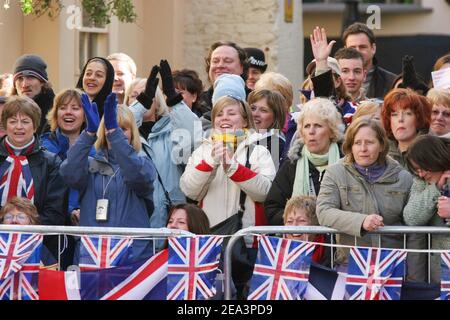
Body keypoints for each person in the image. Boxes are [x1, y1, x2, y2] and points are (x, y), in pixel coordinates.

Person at [60, 93, 156, 262]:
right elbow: (69, 173)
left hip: (132, 255)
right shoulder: (89, 164)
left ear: (132, 133)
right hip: (93, 254)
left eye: (122, 129)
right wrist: (89, 134)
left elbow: (137, 175)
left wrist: (114, 133)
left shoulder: (143, 163)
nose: (115, 132)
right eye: (111, 127)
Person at [316, 117, 413, 274]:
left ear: (381, 145)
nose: (363, 148)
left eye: (369, 142)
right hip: (350, 264)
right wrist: (361, 221)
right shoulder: (335, 173)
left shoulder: (403, 177)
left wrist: (413, 273)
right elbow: (324, 211)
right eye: (357, 143)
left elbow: (413, 225)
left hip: (393, 264)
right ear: (350, 146)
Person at [129, 60, 202, 234]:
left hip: (170, 223)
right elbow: (114, 129)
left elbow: (193, 136)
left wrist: (174, 97)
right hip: (134, 221)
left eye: (147, 94)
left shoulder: (173, 130)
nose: (142, 97)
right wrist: (142, 102)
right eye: (135, 96)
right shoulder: (125, 137)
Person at [0, 96, 68, 259]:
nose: (18, 127)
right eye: (12, 121)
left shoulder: (51, 162)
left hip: (38, 245)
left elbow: (55, 211)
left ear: (35, 126)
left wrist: (26, 231)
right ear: (5, 125)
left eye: (25, 121)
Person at [264, 98, 344, 225]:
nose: (311, 131)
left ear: (331, 131)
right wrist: (296, 221)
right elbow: (272, 208)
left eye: (318, 125)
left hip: (338, 240)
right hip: (303, 242)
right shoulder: (292, 164)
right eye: (307, 126)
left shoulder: (346, 163)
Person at [41, 88, 96, 225]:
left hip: (89, 221)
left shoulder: (97, 149)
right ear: (55, 114)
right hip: (54, 223)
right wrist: (70, 210)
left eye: (75, 108)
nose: (68, 112)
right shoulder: (44, 147)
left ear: (85, 115)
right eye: (63, 107)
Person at [403, 135, 450, 284]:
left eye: (424, 168)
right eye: (417, 170)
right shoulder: (421, 183)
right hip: (440, 270)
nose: (421, 174)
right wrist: (435, 189)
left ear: (436, 159)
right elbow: (411, 218)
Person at [197, 41, 250, 121]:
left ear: (242, 67)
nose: (220, 65)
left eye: (228, 61)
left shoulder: (255, 102)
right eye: (215, 61)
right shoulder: (197, 102)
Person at [0, 197, 58, 269]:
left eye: (21, 217)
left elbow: (52, 275)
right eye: (9, 217)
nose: (14, 221)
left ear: (31, 222)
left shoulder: (37, 246)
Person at [342, 22, 396, 99]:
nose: (357, 51)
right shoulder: (335, 81)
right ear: (345, 50)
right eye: (352, 48)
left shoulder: (392, 82)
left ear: (373, 48)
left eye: (362, 47)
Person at [381, 88, 432, 167]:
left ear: (418, 119)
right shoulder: (381, 156)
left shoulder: (432, 153)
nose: (400, 119)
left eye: (408, 113)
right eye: (394, 114)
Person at [11, 54, 56, 135]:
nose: (25, 85)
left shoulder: (57, 112)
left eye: (30, 77)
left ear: (42, 82)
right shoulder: (5, 112)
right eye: (20, 79)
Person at [283, 195, 331, 267]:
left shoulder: (330, 248)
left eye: (301, 220)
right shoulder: (276, 250)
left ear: (315, 224)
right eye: (289, 221)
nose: (294, 226)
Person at [247, 89, 286, 169]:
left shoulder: (276, 144)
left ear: (276, 117)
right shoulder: (243, 137)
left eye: (263, 110)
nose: (255, 114)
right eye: (253, 108)